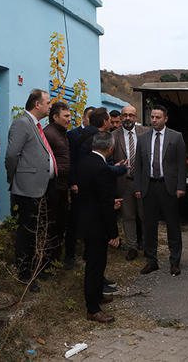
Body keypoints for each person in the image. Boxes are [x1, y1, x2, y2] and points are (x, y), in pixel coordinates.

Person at [5, 89, 55, 291]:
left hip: (40, 187)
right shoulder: (21, 124)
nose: (50, 106)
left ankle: (34, 268)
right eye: (48, 103)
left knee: (36, 230)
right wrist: (15, 177)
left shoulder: (35, 125)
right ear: (37, 104)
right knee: (26, 231)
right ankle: (25, 274)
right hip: (27, 188)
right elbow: (11, 156)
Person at [134, 105, 186, 276]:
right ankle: (151, 260)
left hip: (168, 186)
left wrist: (180, 186)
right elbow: (139, 166)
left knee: (172, 225)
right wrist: (138, 187)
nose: (154, 120)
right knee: (149, 225)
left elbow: (181, 164)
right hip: (149, 186)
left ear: (165, 119)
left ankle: (175, 261)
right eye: (152, 117)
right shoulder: (142, 138)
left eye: (158, 117)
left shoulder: (176, 137)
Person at [77, 131, 121, 323]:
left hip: (85, 218)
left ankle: (97, 296)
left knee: (96, 263)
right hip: (96, 224)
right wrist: (114, 233)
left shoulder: (84, 162)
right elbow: (104, 203)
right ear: (110, 148)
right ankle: (92, 309)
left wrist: (110, 201)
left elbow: (90, 194)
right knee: (95, 266)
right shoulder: (102, 169)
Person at [112, 105, 149, 261]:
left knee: (145, 216)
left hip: (143, 181)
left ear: (136, 117)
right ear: (121, 117)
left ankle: (148, 247)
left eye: (130, 115)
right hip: (124, 181)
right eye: (124, 115)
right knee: (128, 217)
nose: (127, 118)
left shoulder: (146, 133)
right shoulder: (113, 135)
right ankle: (132, 247)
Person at [62, 106, 95, 269]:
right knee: (74, 220)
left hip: (91, 185)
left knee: (90, 220)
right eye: (89, 117)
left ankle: (88, 253)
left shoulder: (97, 135)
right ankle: (69, 255)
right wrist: (73, 182)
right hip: (78, 185)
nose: (91, 120)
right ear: (83, 118)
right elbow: (71, 161)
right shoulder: (73, 135)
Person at [43, 101, 71, 264]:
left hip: (62, 185)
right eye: (66, 116)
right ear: (55, 117)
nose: (69, 119)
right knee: (52, 225)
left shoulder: (62, 133)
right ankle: (47, 263)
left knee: (61, 224)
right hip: (52, 187)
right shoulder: (49, 134)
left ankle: (55, 260)